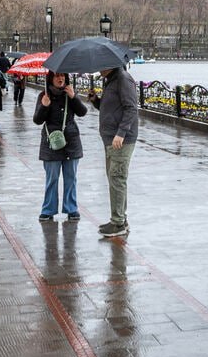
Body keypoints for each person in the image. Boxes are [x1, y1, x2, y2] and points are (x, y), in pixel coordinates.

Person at [90, 63, 138, 238]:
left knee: (117, 177)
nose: (99, 67)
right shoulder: (110, 80)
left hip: (120, 140)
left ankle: (118, 223)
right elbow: (111, 109)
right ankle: (120, 219)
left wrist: (121, 133)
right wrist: (96, 101)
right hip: (110, 138)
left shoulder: (123, 79)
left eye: (101, 64)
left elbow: (131, 108)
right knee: (114, 178)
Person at [33, 72, 87, 222]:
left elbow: (83, 112)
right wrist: (44, 106)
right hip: (52, 143)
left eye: (62, 75)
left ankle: (71, 208)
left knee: (71, 177)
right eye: (56, 76)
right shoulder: (44, 95)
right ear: (51, 78)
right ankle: (48, 209)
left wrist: (74, 97)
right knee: (52, 178)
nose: (60, 78)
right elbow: (37, 120)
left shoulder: (70, 93)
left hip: (71, 142)